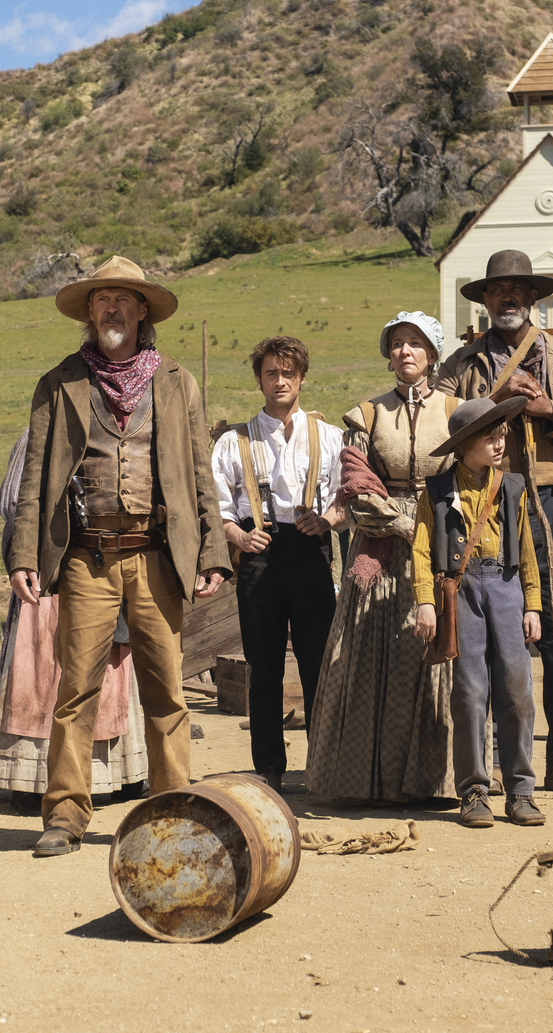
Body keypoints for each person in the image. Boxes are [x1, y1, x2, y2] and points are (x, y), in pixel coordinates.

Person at [7, 255, 231, 857]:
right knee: (74, 690)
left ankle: (173, 812)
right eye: (102, 300)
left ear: (141, 313)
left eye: (123, 301)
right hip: (86, 556)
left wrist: (212, 551)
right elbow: (33, 478)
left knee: (167, 693)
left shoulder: (178, 382)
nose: (111, 309)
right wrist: (24, 553)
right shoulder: (60, 383)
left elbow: (200, 476)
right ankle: (65, 814)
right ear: (89, 312)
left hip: (157, 554)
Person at [434, 250, 553, 794]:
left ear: (534, 299)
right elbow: (439, 425)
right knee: (493, 640)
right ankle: (497, 763)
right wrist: (497, 399)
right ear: (485, 301)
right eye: (498, 291)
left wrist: (549, 415)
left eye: (518, 290)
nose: (508, 298)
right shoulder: (463, 366)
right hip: (487, 514)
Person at [305, 311, 461, 804]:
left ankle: (435, 781)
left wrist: (436, 533)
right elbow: (356, 488)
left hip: (442, 546)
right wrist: (404, 525)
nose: (405, 352)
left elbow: (470, 479)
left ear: (433, 353)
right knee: (370, 656)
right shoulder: (366, 415)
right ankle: (364, 782)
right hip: (382, 554)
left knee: (434, 654)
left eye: (416, 343)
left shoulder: (458, 411)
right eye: (397, 344)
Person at [0, 429, 150, 808]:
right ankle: (33, 780)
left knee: (106, 669)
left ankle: (115, 776)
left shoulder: (118, 437)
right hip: (50, 571)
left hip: (106, 566)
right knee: (41, 668)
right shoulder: (37, 437)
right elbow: (13, 505)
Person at [211, 336, 344, 793]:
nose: (280, 381)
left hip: (310, 552)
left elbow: (350, 498)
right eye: (271, 373)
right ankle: (269, 767)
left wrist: (326, 520)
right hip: (259, 554)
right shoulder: (235, 441)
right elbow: (216, 505)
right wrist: (240, 536)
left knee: (317, 665)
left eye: (289, 373)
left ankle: (323, 766)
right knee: (263, 665)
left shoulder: (329, 437)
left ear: (302, 377)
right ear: (259, 380)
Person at [412, 396, 544, 828]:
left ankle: (521, 790)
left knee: (518, 690)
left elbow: (526, 550)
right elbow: (419, 548)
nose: (500, 443)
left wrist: (533, 604)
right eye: (490, 437)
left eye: (501, 435)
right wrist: (426, 602)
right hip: (459, 592)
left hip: (506, 589)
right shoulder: (435, 491)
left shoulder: (513, 487)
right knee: (469, 694)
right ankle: (473, 792)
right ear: (465, 444)